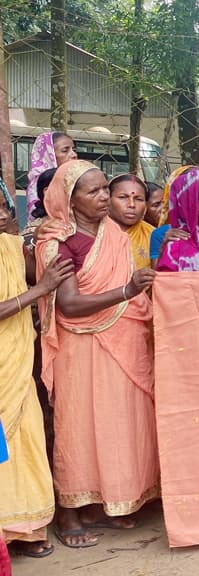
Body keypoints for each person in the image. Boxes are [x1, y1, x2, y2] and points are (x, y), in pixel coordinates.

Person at [36, 160, 160, 547]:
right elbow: (69, 305)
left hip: (122, 341)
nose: (104, 196)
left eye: (104, 188)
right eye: (92, 191)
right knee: (79, 425)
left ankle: (107, 505)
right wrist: (127, 291)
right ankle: (70, 512)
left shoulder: (114, 235)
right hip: (79, 346)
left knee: (118, 422)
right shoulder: (54, 240)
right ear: (69, 201)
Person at [0, 203, 74, 559]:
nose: (1, 215)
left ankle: (26, 529)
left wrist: (40, 243)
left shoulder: (12, 246)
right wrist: (40, 289)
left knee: (27, 437)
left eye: (3, 207)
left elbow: (37, 272)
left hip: (16, 362)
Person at [107, 174, 155, 271]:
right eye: (123, 197)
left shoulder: (153, 235)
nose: (132, 205)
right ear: (108, 199)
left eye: (138, 199)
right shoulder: (95, 232)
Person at [27, 131, 78, 214]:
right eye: (65, 151)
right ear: (49, 155)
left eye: (74, 150)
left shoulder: (76, 179)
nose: (74, 155)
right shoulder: (37, 185)